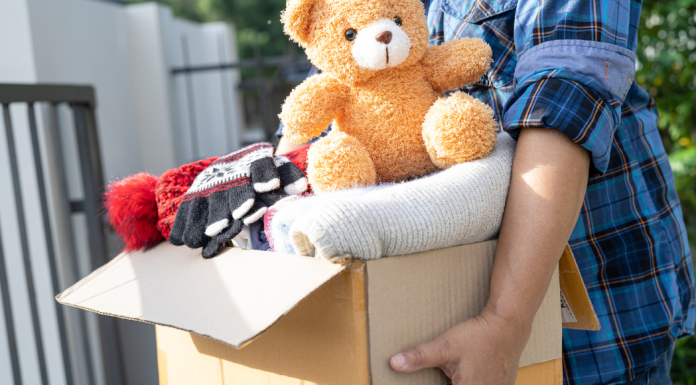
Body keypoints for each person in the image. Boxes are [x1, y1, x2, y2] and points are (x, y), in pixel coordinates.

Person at [275, 0, 695, 383]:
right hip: (429, 309)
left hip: (595, 293)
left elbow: (564, 96)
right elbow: (324, 87)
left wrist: (504, 324)